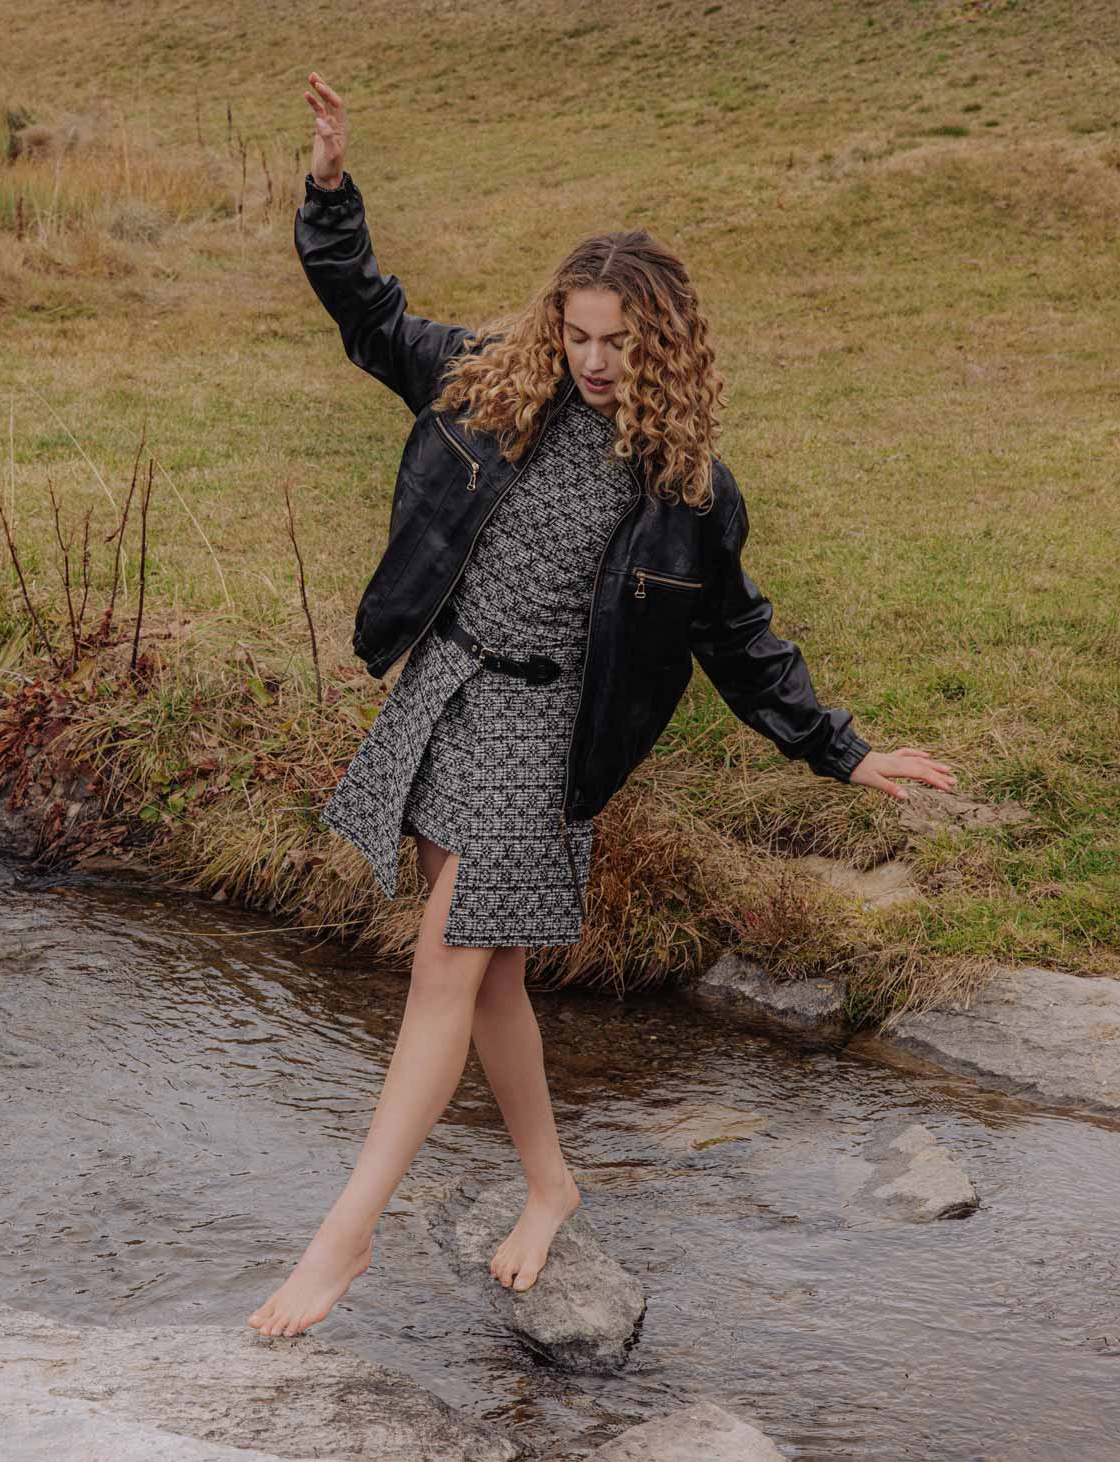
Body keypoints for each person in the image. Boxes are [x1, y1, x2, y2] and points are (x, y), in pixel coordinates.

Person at [246, 73, 959, 1340]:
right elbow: (365, 313)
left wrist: (840, 752)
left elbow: (736, 636)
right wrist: (328, 189)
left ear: (663, 344)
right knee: (496, 980)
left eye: (618, 343)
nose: (591, 360)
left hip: (540, 737)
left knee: (441, 973)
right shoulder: (485, 385)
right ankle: (548, 1182)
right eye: (576, 333)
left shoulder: (685, 487)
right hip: (447, 691)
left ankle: (340, 1238)